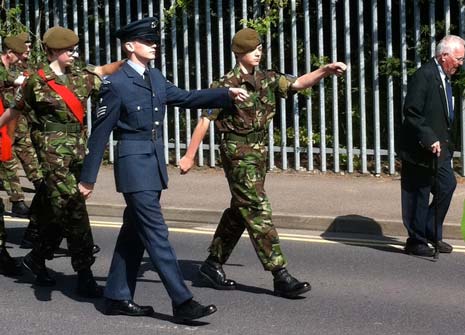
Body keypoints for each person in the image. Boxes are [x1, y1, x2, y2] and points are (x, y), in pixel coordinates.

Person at [78, 17, 248, 321]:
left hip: (153, 166)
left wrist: (226, 93)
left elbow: (185, 97)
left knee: (135, 232)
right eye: (147, 41)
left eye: (154, 40)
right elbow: (100, 134)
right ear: (130, 46)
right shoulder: (115, 84)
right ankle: (182, 301)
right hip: (133, 168)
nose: (154, 45)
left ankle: (116, 296)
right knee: (157, 233)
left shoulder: (155, 77)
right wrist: (87, 179)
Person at [179, 28, 346, 298]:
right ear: (238, 53)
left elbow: (298, 84)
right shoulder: (225, 85)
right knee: (257, 208)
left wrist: (324, 70)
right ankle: (280, 274)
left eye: (259, 48)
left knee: (240, 209)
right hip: (236, 153)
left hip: (258, 154)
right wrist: (189, 154)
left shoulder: (267, 78)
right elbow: (205, 120)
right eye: (251, 50)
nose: (257, 53)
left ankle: (212, 265)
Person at [0, 26, 123, 297]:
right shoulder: (37, 81)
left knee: (56, 212)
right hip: (51, 154)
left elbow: (106, 73)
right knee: (73, 207)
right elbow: (15, 109)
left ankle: (36, 257)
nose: (73, 54)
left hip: (78, 153)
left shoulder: (81, 77)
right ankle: (85, 273)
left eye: (74, 50)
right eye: (69, 50)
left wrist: (129, 59)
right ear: (53, 51)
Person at [399, 35, 465, 257]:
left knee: (447, 185)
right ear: (444, 55)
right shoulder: (424, 75)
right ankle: (415, 240)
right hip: (420, 148)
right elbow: (411, 111)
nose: (461, 63)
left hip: (441, 149)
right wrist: (428, 137)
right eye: (458, 59)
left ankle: (429, 231)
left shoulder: (444, 77)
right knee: (418, 193)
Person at [0, 34, 28, 276]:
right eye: (19, 54)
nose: (23, 57)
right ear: (9, 52)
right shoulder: (3, 70)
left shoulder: (11, 67)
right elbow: (9, 80)